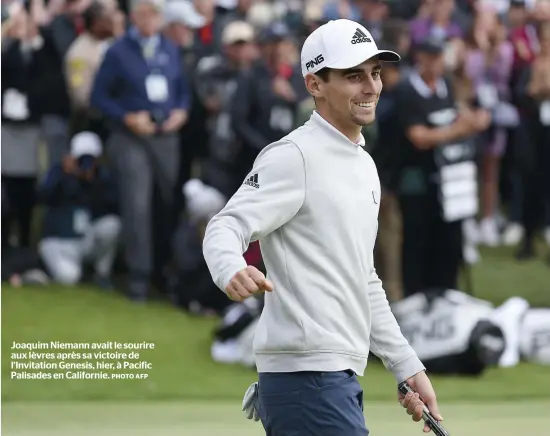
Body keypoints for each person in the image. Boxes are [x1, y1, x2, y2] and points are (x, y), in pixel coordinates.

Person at [203, 19, 442, 436]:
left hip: (335, 376)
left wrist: (406, 365)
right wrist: (230, 268)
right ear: (314, 84)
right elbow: (225, 226)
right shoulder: (292, 156)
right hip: (306, 379)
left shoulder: (364, 164)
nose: (371, 87)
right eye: (354, 76)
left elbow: (363, 277)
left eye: (375, 73)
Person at [90, 0, 191, 301]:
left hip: (165, 136)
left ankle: (164, 271)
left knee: (166, 201)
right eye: (145, 12)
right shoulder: (119, 51)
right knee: (137, 203)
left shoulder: (170, 48)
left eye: (155, 13)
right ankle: (138, 276)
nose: (150, 19)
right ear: (134, 16)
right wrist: (126, 117)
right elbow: (98, 96)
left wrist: (181, 113)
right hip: (130, 136)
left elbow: (182, 91)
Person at [36, 132, 120, 288]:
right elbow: (42, 196)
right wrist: (67, 175)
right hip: (58, 241)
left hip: (85, 238)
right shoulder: (58, 171)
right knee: (68, 278)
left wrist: (92, 181)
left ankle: (102, 274)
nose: (85, 163)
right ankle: (43, 270)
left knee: (113, 225)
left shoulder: (101, 177)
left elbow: (112, 206)